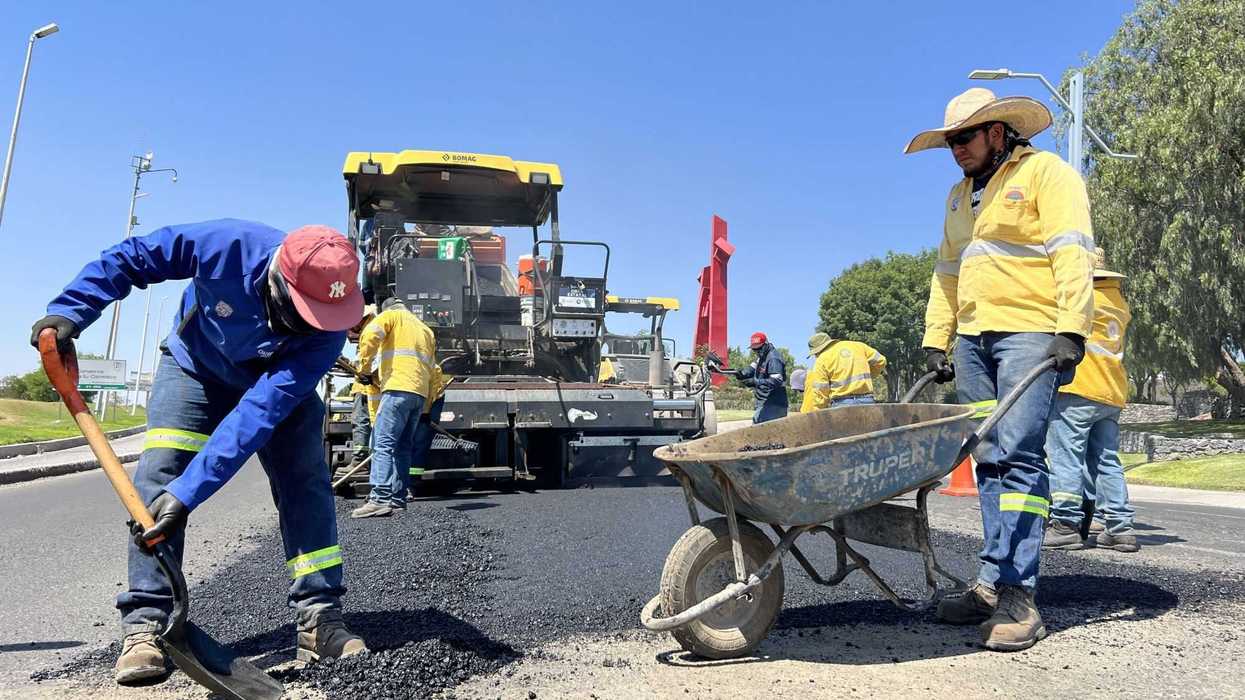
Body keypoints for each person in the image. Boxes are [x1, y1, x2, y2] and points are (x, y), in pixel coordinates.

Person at [30, 220, 369, 684]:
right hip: (195, 368)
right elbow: (133, 257)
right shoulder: (225, 246)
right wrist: (72, 309)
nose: (313, 324)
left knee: (305, 481)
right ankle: (147, 623)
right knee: (160, 473)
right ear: (278, 280)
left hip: (272, 384)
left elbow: (258, 412)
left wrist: (189, 493)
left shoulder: (328, 328)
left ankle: (320, 619)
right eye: (304, 311)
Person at [907, 87, 1096, 651]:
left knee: (1019, 455)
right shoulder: (957, 197)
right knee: (987, 457)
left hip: (1029, 332)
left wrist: (1072, 328)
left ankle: (1020, 595)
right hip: (972, 339)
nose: (956, 150)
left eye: (964, 138)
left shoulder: (1045, 174)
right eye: (950, 142)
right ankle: (992, 581)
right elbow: (947, 271)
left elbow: (1072, 251)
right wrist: (936, 338)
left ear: (997, 132)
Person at [1044, 248, 1137, 552]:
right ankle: (1120, 527)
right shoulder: (1117, 302)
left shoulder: (1080, 297)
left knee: (1066, 457)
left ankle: (1065, 524)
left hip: (1078, 388)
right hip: (1111, 392)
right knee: (1107, 459)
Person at [351, 296, 437, 518]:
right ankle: (398, 499)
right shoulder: (425, 330)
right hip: (419, 394)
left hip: (397, 388)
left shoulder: (390, 316)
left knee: (382, 444)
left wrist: (364, 369)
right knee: (403, 448)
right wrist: (426, 405)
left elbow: (370, 335)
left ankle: (379, 498)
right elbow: (434, 371)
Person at [800, 332, 886, 411]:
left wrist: (818, 410)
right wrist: (868, 377)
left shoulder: (821, 359)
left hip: (841, 404)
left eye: (815, 353)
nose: (815, 356)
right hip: (867, 401)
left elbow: (821, 390)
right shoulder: (859, 346)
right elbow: (881, 361)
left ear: (818, 350)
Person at [344, 307, 379, 476]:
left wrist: (354, 367)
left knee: (360, 421)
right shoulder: (374, 327)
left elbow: (367, 362)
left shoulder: (370, 330)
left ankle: (360, 461)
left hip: (367, 387)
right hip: (371, 385)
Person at [408, 364, 449, 490]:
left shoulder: (431, 368)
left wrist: (425, 412)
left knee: (420, 442)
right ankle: (401, 483)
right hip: (413, 396)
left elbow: (431, 391)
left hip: (432, 399)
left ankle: (412, 483)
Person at [736, 332, 788, 423]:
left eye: (759, 349)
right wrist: (741, 374)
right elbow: (752, 368)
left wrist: (755, 382)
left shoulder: (773, 359)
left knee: (759, 429)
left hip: (773, 405)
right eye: (754, 349)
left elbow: (776, 381)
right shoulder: (762, 357)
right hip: (765, 403)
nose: (757, 352)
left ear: (765, 344)